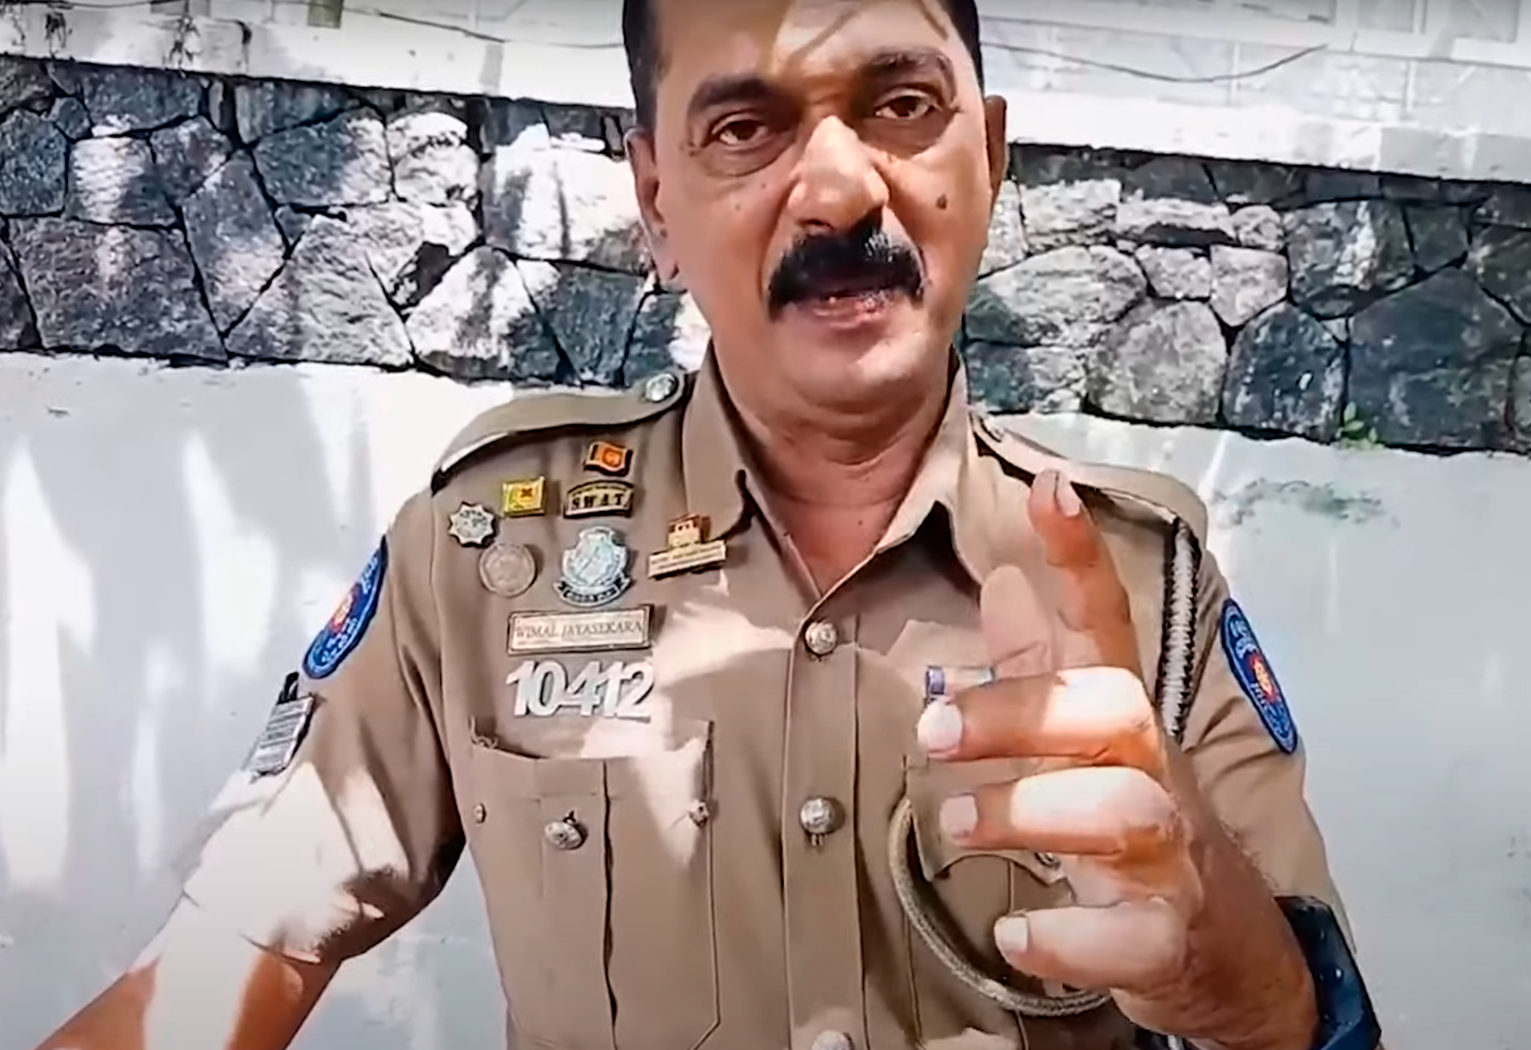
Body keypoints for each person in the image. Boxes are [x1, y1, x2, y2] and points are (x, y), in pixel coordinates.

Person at [31, 0, 1380, 1048]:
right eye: (746, 128)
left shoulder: (1141, 585)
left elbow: (1312, 1018)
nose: (842, 191)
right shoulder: (489, 553)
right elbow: (224, 969)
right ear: (657, 202)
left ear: (990, 155)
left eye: (903, 105)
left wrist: (1225, 968)